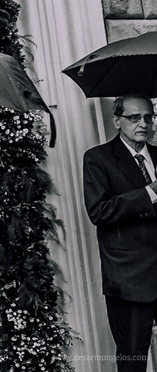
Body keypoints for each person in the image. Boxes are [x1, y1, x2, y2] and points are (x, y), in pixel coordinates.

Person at [83, 94, 157, 372]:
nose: (143, 123)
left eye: (148, 117)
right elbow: (98, 212)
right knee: (133, 358)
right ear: (117, 120)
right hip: (129, 278)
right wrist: (150, 192)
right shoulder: (98, 159)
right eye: (134, 117)